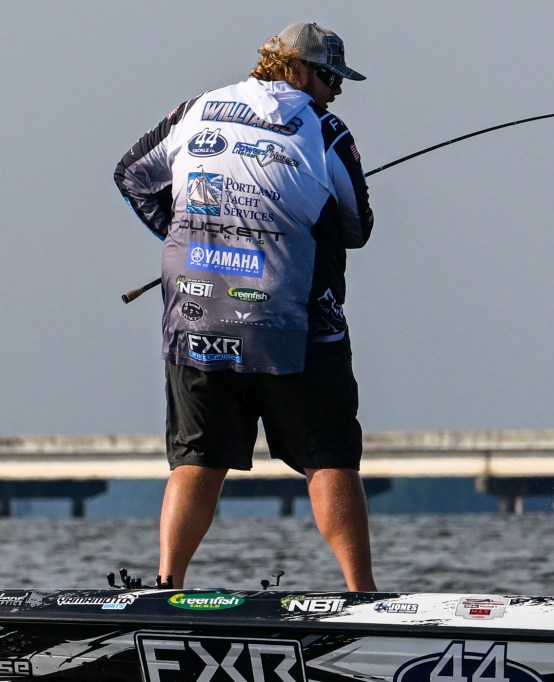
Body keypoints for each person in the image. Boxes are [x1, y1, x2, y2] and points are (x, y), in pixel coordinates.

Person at [113, 22, 377, 591]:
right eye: (329, 77)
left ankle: (166, 586)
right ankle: (363, 596)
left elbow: (131, 175)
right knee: (328, 456)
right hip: (291, 323)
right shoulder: (326, 131)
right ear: (297, 69)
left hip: (195, 314)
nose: (336, 91)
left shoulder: (194, 111)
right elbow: (358, 227)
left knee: (198, 458)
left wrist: (183, 233)